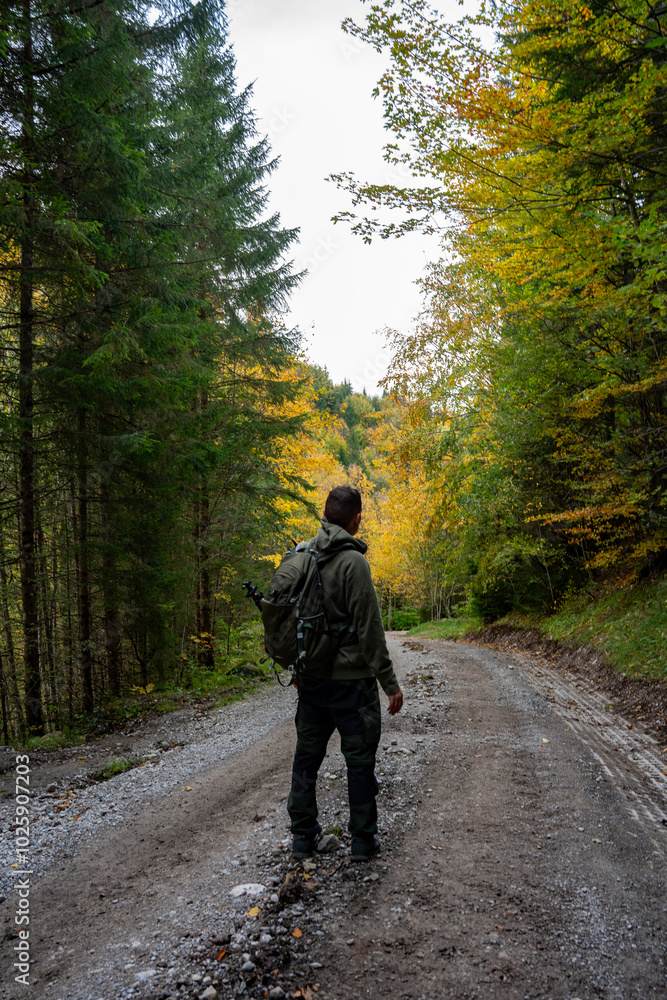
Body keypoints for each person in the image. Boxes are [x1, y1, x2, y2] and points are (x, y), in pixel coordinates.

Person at [288, 485, 403, 862]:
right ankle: (362, 841)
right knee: (358, 760)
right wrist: (389, 683)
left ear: (325, 515)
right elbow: (370, 630)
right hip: (352, 684)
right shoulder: (354, 563)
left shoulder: (302, 554)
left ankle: (303, 837)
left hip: (311, 679)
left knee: (307, 756)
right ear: (356, 520)